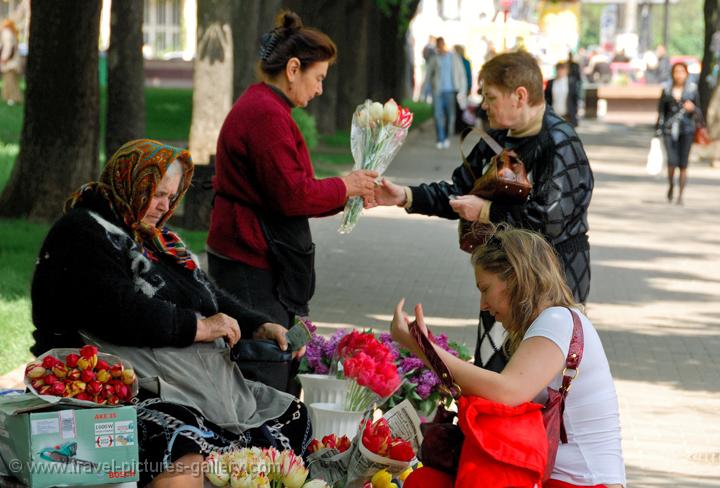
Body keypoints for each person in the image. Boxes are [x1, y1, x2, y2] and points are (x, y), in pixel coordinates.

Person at [30, 139, 311, 487]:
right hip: (113, 384)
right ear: (130, 182)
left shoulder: (154, 238)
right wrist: (200, 328)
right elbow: (119, 313)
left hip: (184, 376)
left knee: (292, 416)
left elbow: (205, 292)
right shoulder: (82, 232)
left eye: (170, 196)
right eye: (156, 193)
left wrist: (258, 325)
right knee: (183, 445)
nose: (164, 206)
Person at [374, 51, 593, 373]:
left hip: (553, 278)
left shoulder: (560, 143)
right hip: (504, 277)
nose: (483, 105)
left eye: (490, 97)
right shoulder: (496, 137)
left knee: (540, 381)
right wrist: (405, 196)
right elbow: (460, 192)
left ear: (520, 95)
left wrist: (487, 211)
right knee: (494, 370)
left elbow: (550, 220)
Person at [206, 11, 377, 390]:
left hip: (254, 256)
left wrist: (350, 193)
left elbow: (291, 192)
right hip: (250, 262)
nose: (319, 90)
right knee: (264, 369)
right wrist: (345, 187)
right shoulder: (265, 115)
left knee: (278, 363)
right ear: (293, 69)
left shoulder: (266, 108)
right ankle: (259, 449)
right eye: (318, 78)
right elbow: (291, 195)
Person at [392, 227, 625, 488]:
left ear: (515, 278)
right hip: (561, 479)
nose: (482, 304)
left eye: (485, 289)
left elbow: (506, 391)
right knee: (427, 481)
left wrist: (425, 349)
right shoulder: (555, 320)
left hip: (582, 483)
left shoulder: (556, 320)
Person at [655, 62, 701, 205]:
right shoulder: (667, 89)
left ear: (686, 74)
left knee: (683, 163)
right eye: (676, 72)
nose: (679, 75)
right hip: (669, 130)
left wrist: (692, 109)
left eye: (682, 71)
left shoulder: (692, 90)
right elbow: (661, 111)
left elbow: (699, 112)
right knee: (671, 161)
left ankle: (680, 195)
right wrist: (657, 130)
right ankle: (670, 185)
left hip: (686, 130)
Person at [423, 37, 467, 149]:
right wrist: (425, 91)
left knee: (450, 115)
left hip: (450, 91)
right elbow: (428, 75)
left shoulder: (453, 57)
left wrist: (463, 89)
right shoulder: (434, 58)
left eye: (441, 44)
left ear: (444, 44)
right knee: (438, 115)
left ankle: (446, 136)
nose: (440, 47)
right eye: (438, 45)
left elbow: (461, 73)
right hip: (437, 91)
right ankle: (440, 138)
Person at [545, 62, 580, 127]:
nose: (560, 71)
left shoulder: (571, 82)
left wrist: (575, 112)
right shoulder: (551, 82)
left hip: (567, 115)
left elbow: (575, 98)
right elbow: (547, 98)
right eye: (559, 69)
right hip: (554, 115)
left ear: (567, 71)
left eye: (562, 69)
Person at [0, 19, 22, 105]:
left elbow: (8, 47)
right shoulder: (12, 33)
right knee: (10, 80)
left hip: (10, 63)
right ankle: (9, 97)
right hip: (13, 62)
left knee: (10, 80)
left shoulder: (6, 32)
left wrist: (4, 58)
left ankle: (12, 98)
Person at [453, 44, 473, 134]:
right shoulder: (465, 61)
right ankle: (460, 126)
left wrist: (469, 87)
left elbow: (468, 76)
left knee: (460, 107)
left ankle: (459, 126)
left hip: (462, 87)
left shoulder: (464, 62)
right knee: (461, 107)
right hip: (462, 87)